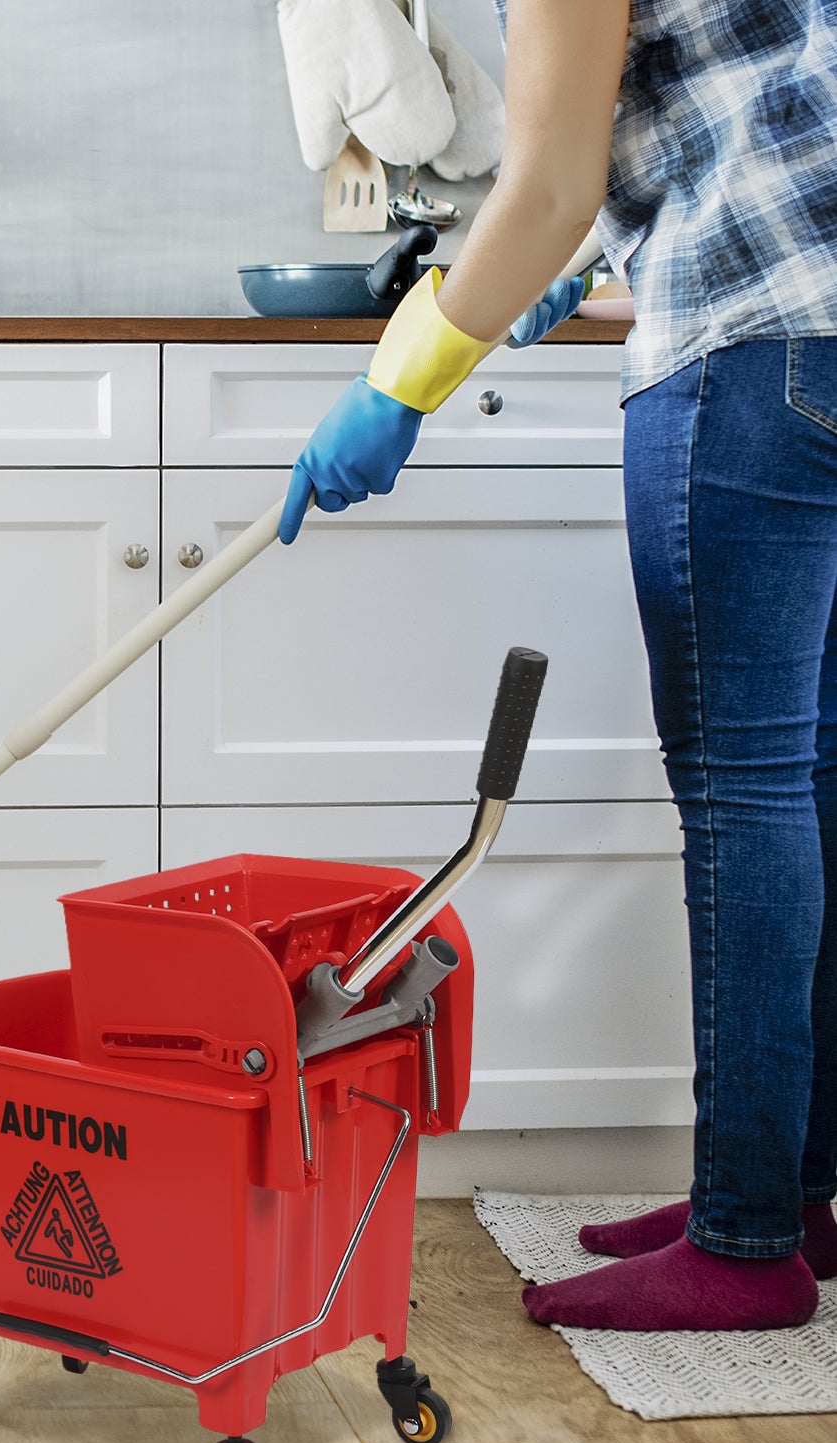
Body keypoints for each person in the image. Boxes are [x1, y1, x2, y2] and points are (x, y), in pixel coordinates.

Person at [280, 0, 837, 1333]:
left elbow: (541, 183)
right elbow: (725, 108)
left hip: (748, 344)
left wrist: (401, 378)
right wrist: (578, 258)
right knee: (810, 776)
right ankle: (791, 1194)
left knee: (749, 792)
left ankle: (745, 1242)